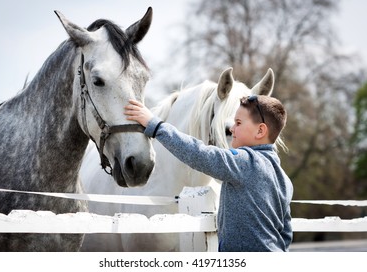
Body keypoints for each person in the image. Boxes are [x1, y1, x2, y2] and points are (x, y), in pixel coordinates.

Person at [124, 95, 293, 252]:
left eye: (239, 123)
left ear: (260, 131)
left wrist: (156, 126)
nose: (232, 128)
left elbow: (200, 154)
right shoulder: (284, 179)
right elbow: (285, 234)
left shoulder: (246, 162)